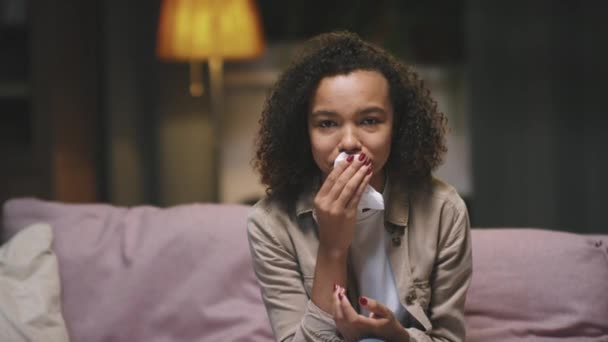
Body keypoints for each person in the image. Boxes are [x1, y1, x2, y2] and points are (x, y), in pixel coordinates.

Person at [247, 31, 472, 342]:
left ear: (397, 126)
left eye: (369, 121)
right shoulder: (270, 224)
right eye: (327, 123)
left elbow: (450, 338)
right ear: (304, 133)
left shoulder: (443, 209)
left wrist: (400, 338)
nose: (350, 142)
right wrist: (332, 247)